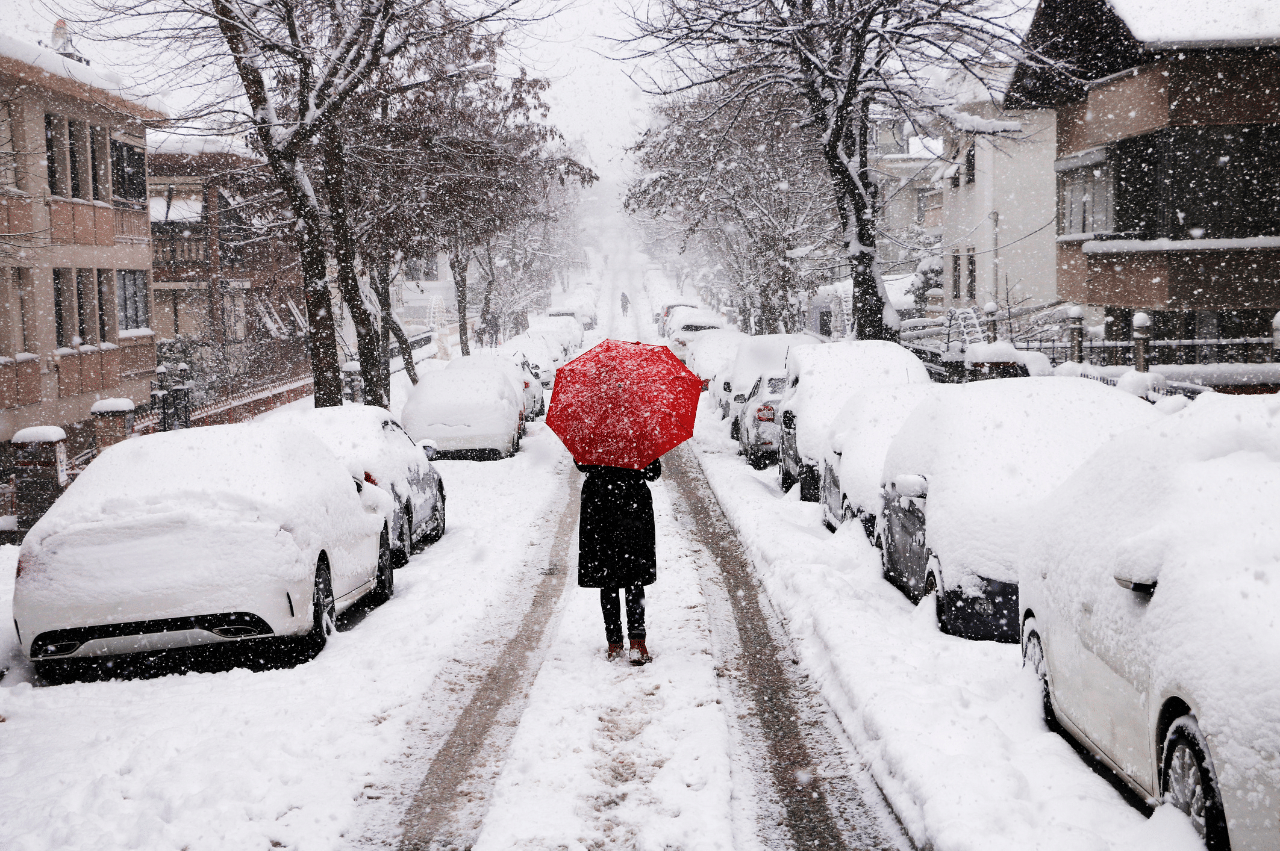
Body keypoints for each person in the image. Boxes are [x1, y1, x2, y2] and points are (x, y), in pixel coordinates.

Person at [575, 457, 661, 664]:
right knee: (634, 578)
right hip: (633, 508)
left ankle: (614, 643)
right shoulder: (640, 433)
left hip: (600, 508)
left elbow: (581, 464)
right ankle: (637, 643)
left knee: (608, 578)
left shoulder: (594, 433)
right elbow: (653, 473)